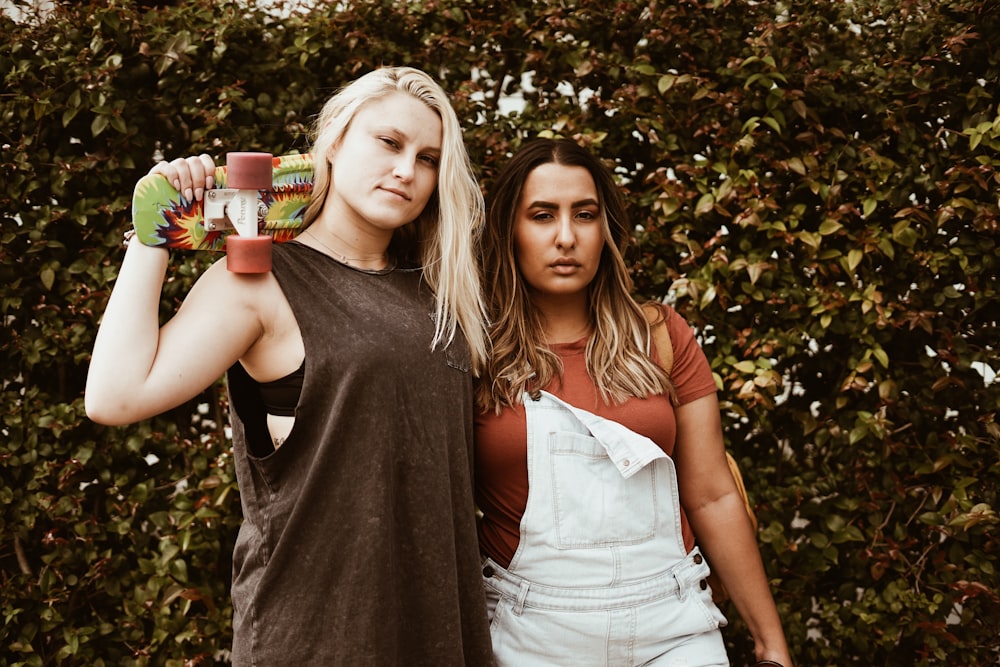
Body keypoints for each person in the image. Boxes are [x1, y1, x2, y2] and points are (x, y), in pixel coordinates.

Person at [86, 66, 495, 666]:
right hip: (313, 634)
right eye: (388, 143)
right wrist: (155, 234)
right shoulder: (258, 279)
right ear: (332, 142)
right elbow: (114, 397)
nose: (407, 170)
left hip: (437, 632)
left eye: (428, 158)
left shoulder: (443, 295)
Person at [474, 138, 793, 667]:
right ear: (509, 229)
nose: (566, 237)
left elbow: (712, 494)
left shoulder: (662, 336)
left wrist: (771, 644)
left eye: (584, 214)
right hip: (527, 637)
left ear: (606, 230)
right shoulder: (473, 352)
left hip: (674, 630)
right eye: (541, 215)